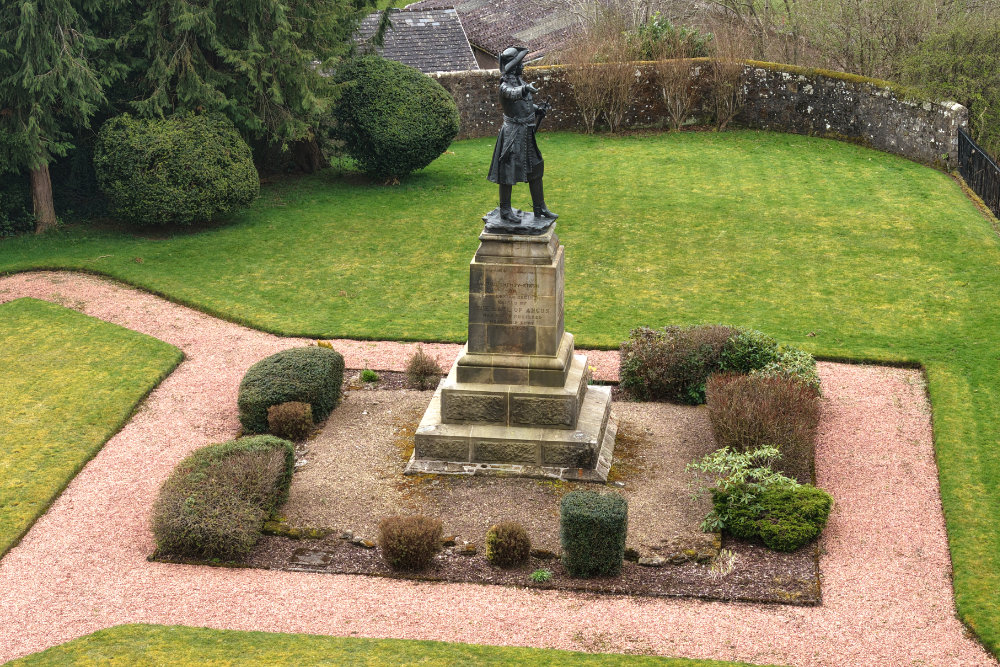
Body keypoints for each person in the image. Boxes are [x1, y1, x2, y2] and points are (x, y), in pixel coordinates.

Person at [487, 46, 558, 225]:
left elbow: (524, 104)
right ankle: (505, 210)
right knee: (507, 172)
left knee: (536, 167)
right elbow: (512, 95)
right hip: (513, 134)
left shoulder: (519, 81)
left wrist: (538, 109)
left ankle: (539, 207)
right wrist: (526, 90)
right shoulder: (505, 85)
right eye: (520, 64)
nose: (523, 66)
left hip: (526, 132)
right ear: (514, 66)